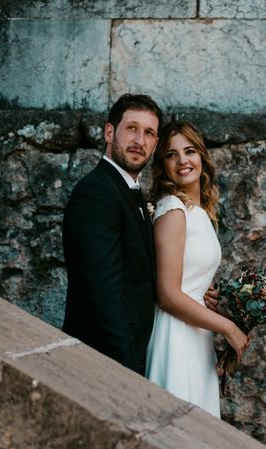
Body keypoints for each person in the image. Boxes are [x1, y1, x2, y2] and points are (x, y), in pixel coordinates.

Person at [145, 120, 249, 417]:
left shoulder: (198, 211)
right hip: (175, 336)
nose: (182, 161)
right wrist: (228, 327)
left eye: (189, 151)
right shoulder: (172, 209)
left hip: (197, 335)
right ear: (162, 164)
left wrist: (204, 291)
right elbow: (166, 294)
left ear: (201, 156)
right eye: (171, 154)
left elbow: (186, 278)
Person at [62, 93, 162, 375]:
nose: (139, 141)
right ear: (109, 132)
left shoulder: (129, 191)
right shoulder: (97, 192)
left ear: (155, 145)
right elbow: (104, 291)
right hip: (104, 360)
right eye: (132, 128)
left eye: (149, 133)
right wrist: (127, 370)